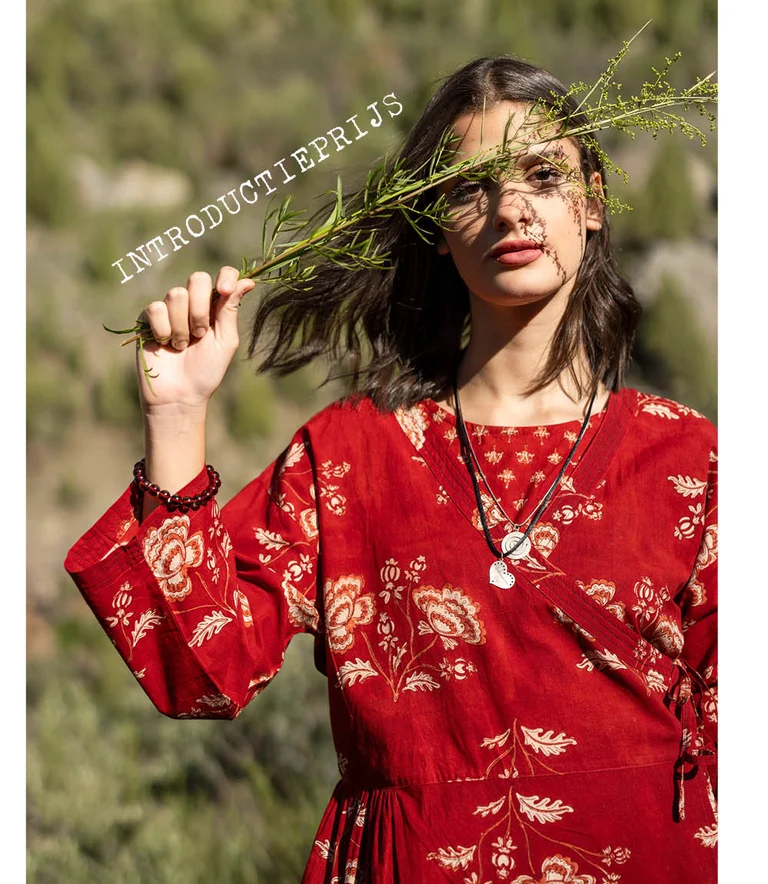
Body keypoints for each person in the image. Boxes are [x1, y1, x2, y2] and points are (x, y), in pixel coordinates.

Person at [65, 55, 717, 883]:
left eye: (543, 175)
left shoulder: (689, 461)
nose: (510, 209)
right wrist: (177, 414)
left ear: (592, 202)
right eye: (470, 188)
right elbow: (199, 670)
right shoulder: (352, 456)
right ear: (435, 226)